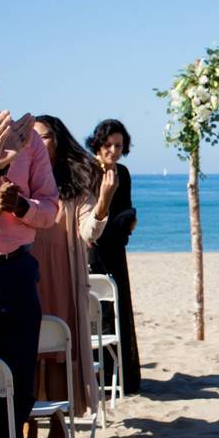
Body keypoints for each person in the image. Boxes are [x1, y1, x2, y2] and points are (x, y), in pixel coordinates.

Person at [0, 46, 59, 438]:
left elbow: (50, 208)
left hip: (14, 274)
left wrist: (21, 208)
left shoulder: (27, 139)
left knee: (17, 391)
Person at [26, 116, 117, 438]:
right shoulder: (20, 177)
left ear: (58, 140)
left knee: (58, 352)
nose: (36, 143)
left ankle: (60, 425)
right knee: (29, 351)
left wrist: (105, 199)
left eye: (44, 137)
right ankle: (27, 425)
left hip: (63, 274)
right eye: (31, 137)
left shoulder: (77, 183)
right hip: (28, 273)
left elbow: (89, 233)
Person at [86, 119, 141, 394]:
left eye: (119, 145)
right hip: (92, 244)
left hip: (116, 245)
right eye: (108, 145)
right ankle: (95, 375)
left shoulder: (124, 172)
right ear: (99, 144)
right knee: (97, 311)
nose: (113, 151)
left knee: (117, 307)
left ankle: (120, 376)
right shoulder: (86, 170)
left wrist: (129, 220)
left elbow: (126, 207)